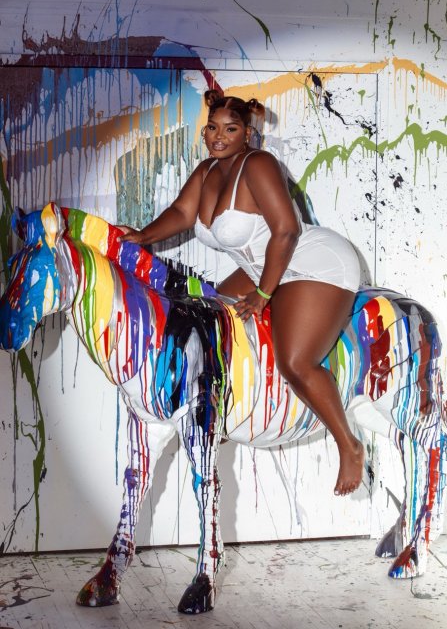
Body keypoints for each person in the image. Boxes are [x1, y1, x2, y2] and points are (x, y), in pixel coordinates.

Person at [120, 90, 364, 496]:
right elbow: (182, 213)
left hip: (310, 262)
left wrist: (264, 294)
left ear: (247, 134)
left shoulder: (259, 164)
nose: (219, 136)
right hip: (260, 266)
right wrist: (143, 237)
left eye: (230, 129)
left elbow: (286, 231)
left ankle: (348, 444)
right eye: (212, 128)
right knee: (208, 313)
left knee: (295, 361)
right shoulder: (206, 171)